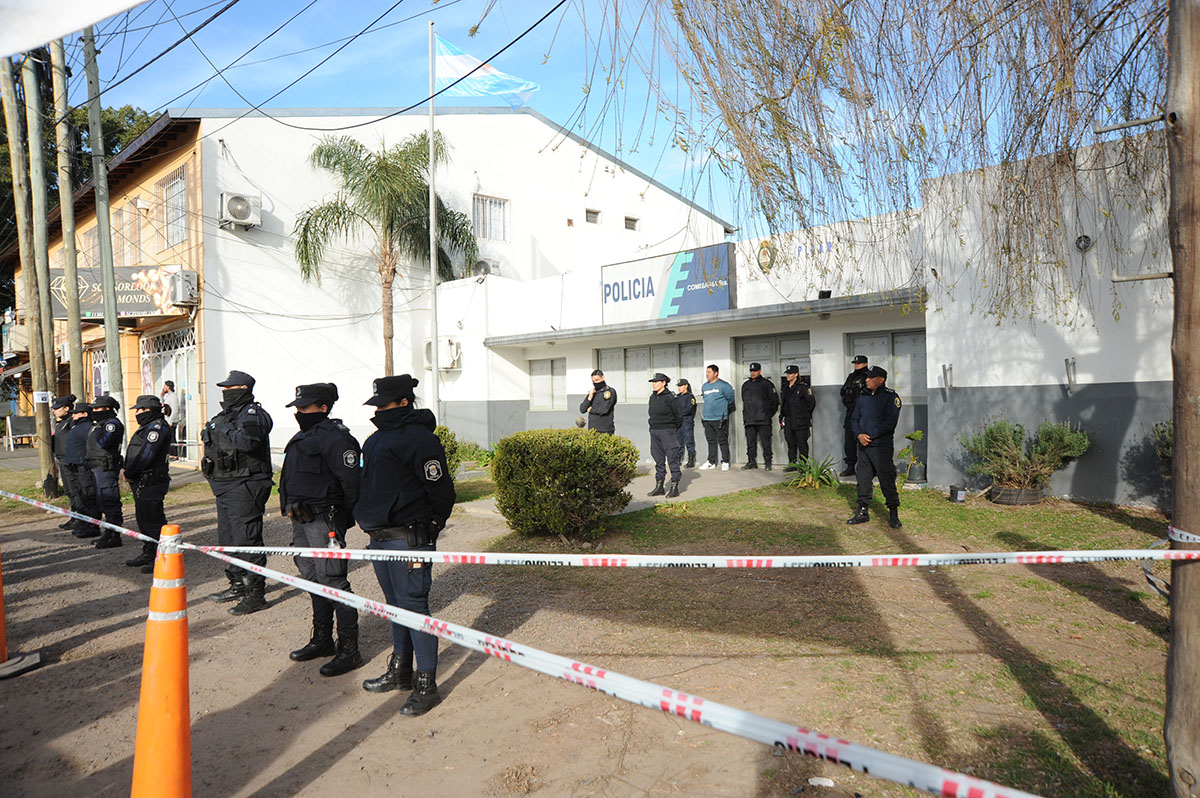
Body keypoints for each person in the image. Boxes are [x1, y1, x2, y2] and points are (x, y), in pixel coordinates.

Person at [355, 375, 455, 716]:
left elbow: (441, 491)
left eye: (384, 405)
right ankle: (400, 670)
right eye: (376, 405)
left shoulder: (420, 440)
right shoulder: (375, 441)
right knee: (394, 605)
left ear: (402, 402)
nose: (379, 410)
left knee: (414, 608)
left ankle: (426, 684)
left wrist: (430, 528)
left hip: (409, 538)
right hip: (379, 539)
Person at [279, 382, 364, 677]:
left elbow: (352, 484)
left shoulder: (336, 438)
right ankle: (322, 639)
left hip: (324, 520)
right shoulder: (303, 436)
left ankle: (349, 650)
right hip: (301, 520)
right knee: (312, 578)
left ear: (323, 408)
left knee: (334, 581)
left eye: (304, 408)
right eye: (297, 408)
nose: (299, 412)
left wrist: (347, 519)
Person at [201, 370, 274, 615]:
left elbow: (248, 443)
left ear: (243, 389)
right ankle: (237, 584)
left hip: (246, 485)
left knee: (247, 540)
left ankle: (256, 593)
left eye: (229, 388)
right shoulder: (225, 416)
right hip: (224, 486)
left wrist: (226, 429)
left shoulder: (253, 414)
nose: (225, 392)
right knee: (228, 540)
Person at [122, 395, 174, 573]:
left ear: (149, 410)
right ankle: (149, 551)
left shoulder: (156, 428)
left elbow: (146, 455)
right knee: (144, 520)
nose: (136, 413)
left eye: (139, 410)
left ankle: (162, 557)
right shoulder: (148, 427)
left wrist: (129, 472)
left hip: (151, 480)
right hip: (142, 480)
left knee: (153, 521)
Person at [846, 366, 903, 529]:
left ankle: (893, 514)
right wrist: (858, 435)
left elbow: (889, 423)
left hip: (880, 447)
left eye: (871, 378)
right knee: (863, 480)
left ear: (881, 380)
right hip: (863, 446)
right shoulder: (862, 397)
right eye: (867, 377)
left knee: (887, 479)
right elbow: (854, 419)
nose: (867, 380)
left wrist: (868, 435)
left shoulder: (890, 397)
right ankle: (862, 512)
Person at [86, 395, 125, 549]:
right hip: (97, 467)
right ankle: (108, 533)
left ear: (107, 409)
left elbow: (104, 442)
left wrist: (98, 428)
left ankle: (114, 535)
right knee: (102, 501)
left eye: (97, 408)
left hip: (106, 468)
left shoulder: (111, 424)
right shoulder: (101, 424)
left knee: (110, 501)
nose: (94, 412)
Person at [63, 402, 101, 539]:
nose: (73, 415)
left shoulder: (89, 428)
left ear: (85, 414)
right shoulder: (77, 427)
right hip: (74, 466)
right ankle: (85, 523)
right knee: (80, 496)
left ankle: (93, 526)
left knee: (88, 496)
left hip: (83, 467)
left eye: (76, 413)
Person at [647, 373, 683, 498]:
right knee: (658, 459)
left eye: (656, 382)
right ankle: (659, 486)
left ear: (663, 383)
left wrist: (671, 429)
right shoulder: (653, 396)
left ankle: (674, 487)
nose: (654, 384)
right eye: (653, 382)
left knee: (672, 458)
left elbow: (679, 416)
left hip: (667, 431)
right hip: (654, 431)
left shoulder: (670, 397)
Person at [740, 362, 780, 470]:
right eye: (751, 371)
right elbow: (744, 400)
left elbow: (775, 402)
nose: (753, 373)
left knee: (766, 442)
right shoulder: (746, 385)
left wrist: (767, 414)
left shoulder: (767, 384)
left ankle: (768, 462)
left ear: (760, 371)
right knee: (750, 443)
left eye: (755, 371)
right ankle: (751, 462)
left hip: (763, 420)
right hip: (749, 420)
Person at [699, 364, 735, 470]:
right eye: (706, 372)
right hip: (707, 418)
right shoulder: (704, 386)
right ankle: (711, 461)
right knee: (711, 441)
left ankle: (725, 461)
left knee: (722, 440)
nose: (707, 374)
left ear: (716, 373)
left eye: (709, 372)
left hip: (720, 418)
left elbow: (730, 400)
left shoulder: (724, 385)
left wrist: (722, 410)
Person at [779, 366, 816, 469]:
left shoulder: (803, 387)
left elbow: (811, 403)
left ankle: (803, 465)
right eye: (787, 373)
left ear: (796, 374)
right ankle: (792, 463)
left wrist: (804, 415)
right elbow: (784, 403)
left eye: (790, 373)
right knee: (790, 442)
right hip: (789, 420)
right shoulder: (785, 388)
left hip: (800, 420)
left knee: (802, 443)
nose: (788, 375)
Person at [51, 395, 78, 531]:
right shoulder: (61, 423)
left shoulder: (71, 422)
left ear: (66, 408)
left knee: (75, 491)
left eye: (57, 408)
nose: (54, 411)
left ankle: (80, 518)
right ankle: (74, 517)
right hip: (62, 460)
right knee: (69, 491)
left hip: (70, 461)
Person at [839, 355, 870, 476]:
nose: (856, 365)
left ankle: (870, 467)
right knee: (849, 441)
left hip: (865, 414)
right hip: (851, 413)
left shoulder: (869, 376)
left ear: (865, 364)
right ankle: (850, 466)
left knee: (866, 441)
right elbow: (843, 392)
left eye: (859, 363)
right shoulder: (851, 377)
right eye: (855, 363)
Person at [579, 369, 617, 434]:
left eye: (597, 380)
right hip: (592, 430)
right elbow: (582, 409)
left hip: (605, 430)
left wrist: (591, 410)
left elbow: (604, 409)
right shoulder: (593, 392)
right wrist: (590, 397)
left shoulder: (609, 391)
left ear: (603, 378)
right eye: (593, 381)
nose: (595, 383)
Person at [675, 378, 698, 468]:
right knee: (679, 442)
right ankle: (678, 459)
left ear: (686, 386)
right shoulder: (677, 397)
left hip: (686, 421)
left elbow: (689, 409)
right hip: (678, 422)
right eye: (678, 386)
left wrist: (679, 413)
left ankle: (691, 460)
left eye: (681, 386)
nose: (679, 388)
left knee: (689, 441)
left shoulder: (690, 397)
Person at [160, 380, 179, 456]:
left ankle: (174, 454)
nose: (163, 388)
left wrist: (171, 421)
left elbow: (175, 410)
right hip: (167, 420)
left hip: (171, 421)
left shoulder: (173, 396)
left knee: (172, 438)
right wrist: (161, 396)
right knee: (167, 438)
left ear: (168, 387)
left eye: (164, 386)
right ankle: (170, 453)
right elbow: (163, 405)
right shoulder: (168, 396)